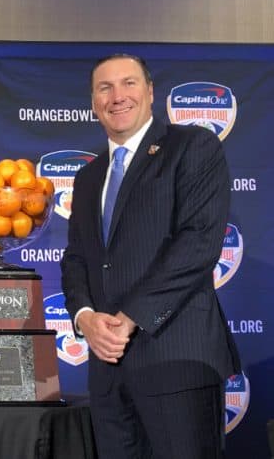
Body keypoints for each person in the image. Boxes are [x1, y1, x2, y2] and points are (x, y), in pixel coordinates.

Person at [60, 54, 240, 458]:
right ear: (93, 102)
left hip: (176, 360)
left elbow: (198, 244)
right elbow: (75, 259)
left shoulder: (193, 146)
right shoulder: (88, 177)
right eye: (104, 88)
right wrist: (85, 318)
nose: (117, 96)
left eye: (129, 83)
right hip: (107, 369)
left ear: (150, 92)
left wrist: (131, 318)